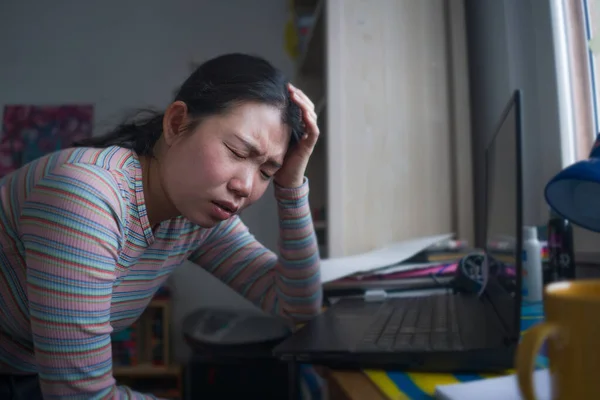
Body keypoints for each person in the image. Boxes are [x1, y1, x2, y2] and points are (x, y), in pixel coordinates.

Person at [0, 53, 322, 399]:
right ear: (177, 123)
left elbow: (297, 305)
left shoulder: (195, 215)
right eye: (237, 152)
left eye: (266, 172)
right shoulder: (87, 198)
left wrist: (290, 187)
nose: (246, 186)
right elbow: (79, 396)